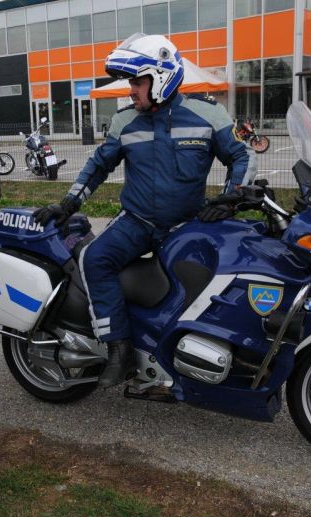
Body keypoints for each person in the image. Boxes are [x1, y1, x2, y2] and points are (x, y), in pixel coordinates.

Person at [34, 33, 250, 388]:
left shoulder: (208, 113)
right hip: (137, 221)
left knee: (211, 281)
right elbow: (98, 167)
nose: (131, 90)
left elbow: (241, 155)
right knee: (94, 259)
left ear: (161, 78)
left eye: (137, 82)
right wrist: (69, 202)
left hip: (187, 225)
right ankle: (118, 349)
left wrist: (231, 199)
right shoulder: (124, 121)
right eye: (130, 82)